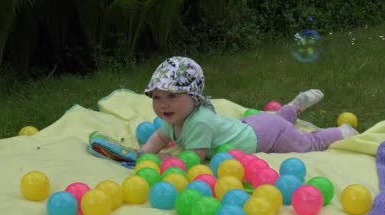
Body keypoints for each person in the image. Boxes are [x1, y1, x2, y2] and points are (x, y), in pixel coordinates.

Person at [139, 56, 358, 161]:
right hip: (254, 125)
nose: (163, 104)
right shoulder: (174, 118)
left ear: (194, 98)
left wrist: (164, 159)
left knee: (308, 144)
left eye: (172, 96)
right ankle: (293, 107)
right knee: (278, 119)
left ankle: (342, 131)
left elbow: (193, 158)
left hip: (267, 138)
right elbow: (159, 137)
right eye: (156, 97)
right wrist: (143, 153)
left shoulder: (199, 122)